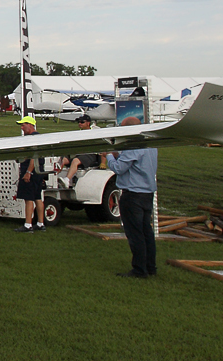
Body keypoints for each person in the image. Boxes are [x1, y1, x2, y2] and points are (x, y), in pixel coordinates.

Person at [107, 145, 158, 278]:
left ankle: (139, 269)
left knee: (136, 233)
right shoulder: (152, 147)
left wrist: (108, 156)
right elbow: (134, 163)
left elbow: (119, 168)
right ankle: (150, 266)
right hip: (147, 193)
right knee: (146, 231)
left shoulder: (132, 148)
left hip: (133, 194)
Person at [14, 115, 46, 231]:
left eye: (23, 125)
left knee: (29, 198)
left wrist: (28, 172)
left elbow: (34, 156)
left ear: (30, 125)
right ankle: (40, 223)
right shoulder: (39, 137)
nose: (22, 128)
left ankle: (28, 224)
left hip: (31, 171)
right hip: (38, 171)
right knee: (38, 197)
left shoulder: (32, 138)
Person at [59, 115, 104, 183]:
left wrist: (103, 162)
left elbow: (103, 147)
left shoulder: (95, 132)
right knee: (62, 160)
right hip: (79, 153)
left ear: (88, 123)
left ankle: (67, 180)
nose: (80, 123)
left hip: (91, 154)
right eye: (79, 122)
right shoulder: (78, 133)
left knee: (75, 160)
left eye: (82, 122)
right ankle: (54, 179)